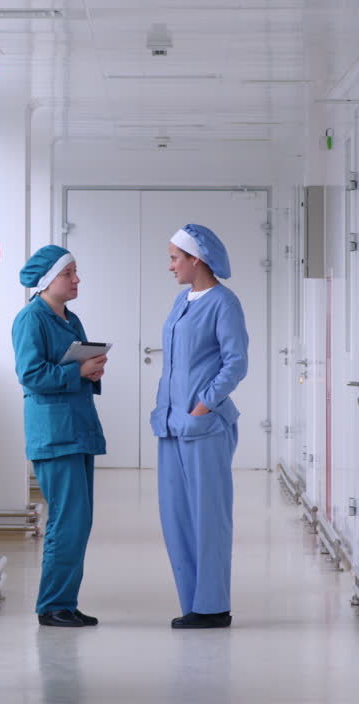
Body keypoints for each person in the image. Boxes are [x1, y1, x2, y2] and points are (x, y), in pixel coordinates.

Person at [150, 224, 249, 629]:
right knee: (176, 517)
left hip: (204, 428)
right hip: (171, 428)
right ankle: (192, 603)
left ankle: (213, 606)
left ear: (196, 260)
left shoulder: (224, 302)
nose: (170, 264)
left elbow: (236, 362)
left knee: (209, 517)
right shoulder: (181, 300)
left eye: (175, 257)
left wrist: (203, 406)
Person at [11, 244, 108, 628]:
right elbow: (31, 375)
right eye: (69, 274)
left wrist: (93, 371)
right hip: (54, 433)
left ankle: (65, 601)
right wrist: (78, 373)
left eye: (75, 272)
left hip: (78, 428)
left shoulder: (71, 318)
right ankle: (52, 605)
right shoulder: (30, 320)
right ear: (49, 279)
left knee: (79, 520)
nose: (76, 279)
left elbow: (75, 366)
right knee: (65, 521)